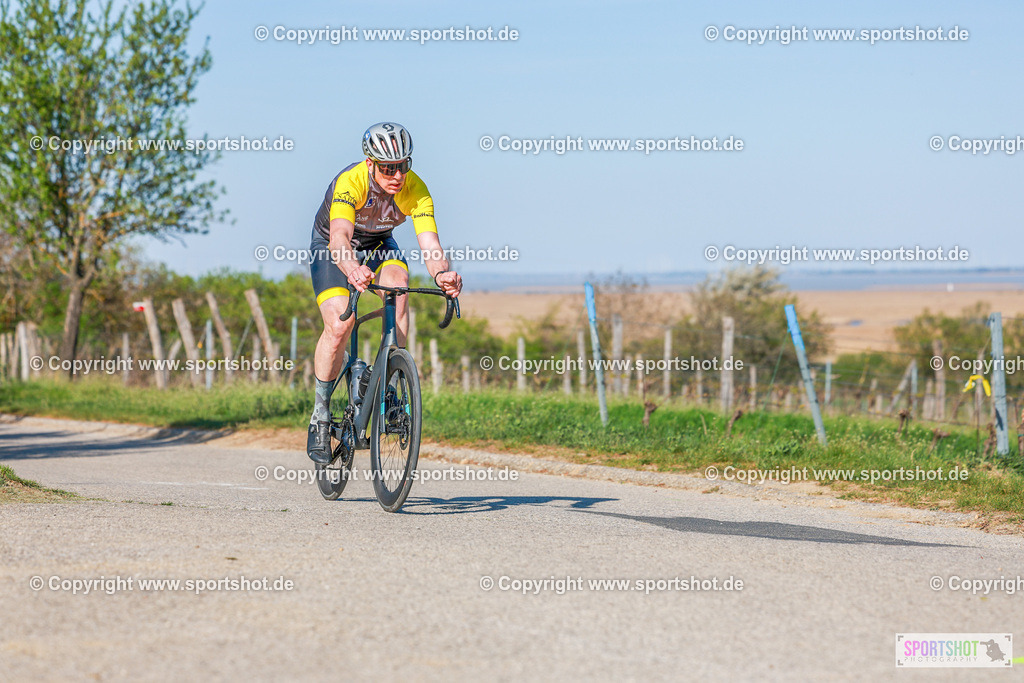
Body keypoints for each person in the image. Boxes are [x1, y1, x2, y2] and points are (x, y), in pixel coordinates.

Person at [306, 122, 462, 463]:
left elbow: (430, 244)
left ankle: (387, 385)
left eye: (403, 166)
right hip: (334, 249)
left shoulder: (416, 189)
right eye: (388, 167)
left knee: (399, 290)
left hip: (378, 245)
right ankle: (319, 415)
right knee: (339, 326)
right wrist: (352, 269)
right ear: (370, 163)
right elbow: (339, 238)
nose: (397, 175)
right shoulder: (352, 182)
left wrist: (442, 274)